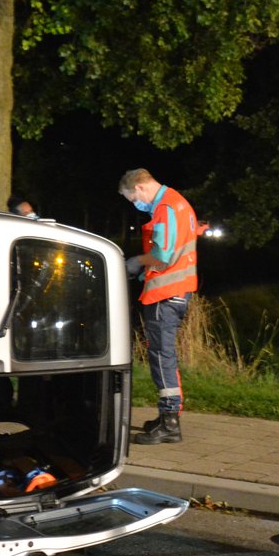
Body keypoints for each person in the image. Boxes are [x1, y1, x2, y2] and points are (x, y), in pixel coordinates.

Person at [119, 168, 198, 445]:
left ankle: (170, 422)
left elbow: (163, 254)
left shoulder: (165, 207)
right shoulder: (178, 203)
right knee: (164, 355)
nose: (136, 205)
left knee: (162, 357)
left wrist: (136, 263)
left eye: (132, 200)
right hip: (176, 291)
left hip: (166, 294)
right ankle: (166, 416)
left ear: (140, 188)